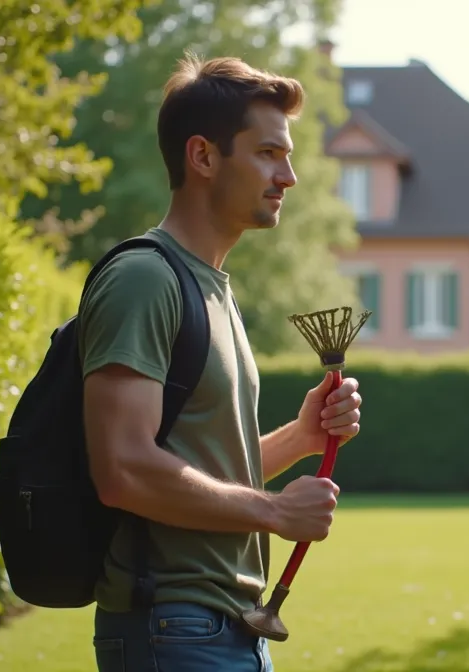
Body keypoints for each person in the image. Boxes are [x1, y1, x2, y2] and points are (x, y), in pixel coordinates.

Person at [80, 55, 363, 672]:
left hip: (221, 627)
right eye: (267, 153)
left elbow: (204, 469)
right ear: (203, 157)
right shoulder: (145, 281)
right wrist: (275, 511)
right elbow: (123, 470)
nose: (287, 176)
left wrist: (301, 437)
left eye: (286, 156)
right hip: (172, 628)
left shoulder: (210, 288)